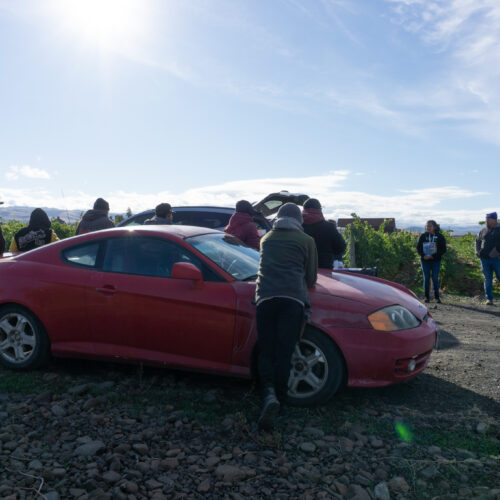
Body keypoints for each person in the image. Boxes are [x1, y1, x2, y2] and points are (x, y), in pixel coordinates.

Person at [255, 203, 318, 430]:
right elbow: (311, 278)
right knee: (285, 351)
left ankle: (267, 395)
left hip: (265, 298)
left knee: (266, 350)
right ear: (298, 220)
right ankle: (279, 401)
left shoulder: (266, 239)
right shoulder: (306, 241)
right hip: (292, 300)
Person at [301, 198, 346, 269]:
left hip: (302, 268)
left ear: (304, 209)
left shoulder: (298, 226)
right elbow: (340, 247)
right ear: (319, 210)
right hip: (325, 268)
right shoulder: (329, 227)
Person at [416, 220, 447, 303]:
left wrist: (433, 256)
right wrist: (423, 255)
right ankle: (427, 297)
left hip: (436, 261)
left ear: (435, 227)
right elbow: (418, 248)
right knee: (426, 278)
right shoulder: (423, 236)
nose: (428, 227)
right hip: (425, 260)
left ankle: (437, 297)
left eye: (430, 226)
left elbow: (443, 249)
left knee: (435, 278)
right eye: (427, 226)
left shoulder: (440, 236)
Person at [475, 211, 500, 305]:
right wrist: (477, 251)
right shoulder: (484, 230)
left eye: (488, 220)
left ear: (494, 220)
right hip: (484, 259)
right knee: (487, 279)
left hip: (497, 259)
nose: (486, 222)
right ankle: (489, 299)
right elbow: (477, 240)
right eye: (486, 220)